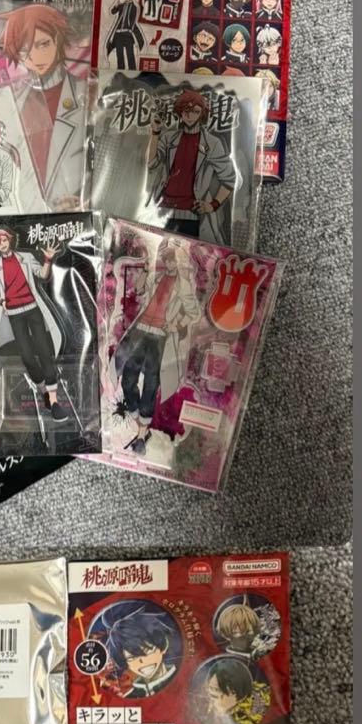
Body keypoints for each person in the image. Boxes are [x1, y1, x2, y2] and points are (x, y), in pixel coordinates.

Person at [114, 241, 201, 454]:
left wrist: (176, 325)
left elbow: (194, 312)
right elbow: (140, 290)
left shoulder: (184, 285)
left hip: (160, 336)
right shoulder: (156, 276)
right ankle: (139, 424)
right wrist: (145, 271)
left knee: (151, 384)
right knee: (128, 377)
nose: (170, 264)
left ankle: (141, 434)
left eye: (173, 260)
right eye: (167, 260)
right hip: (141, 330)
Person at [0, 2, 85, 207]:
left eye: (43, 44)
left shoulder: (86, 93)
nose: (35, 57)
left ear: (58, 39)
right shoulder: (10, 101)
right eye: (24, 50)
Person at [0, 228, 68, 421]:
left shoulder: (26, 257)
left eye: (5, 240)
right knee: (27, 356)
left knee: (44, 351)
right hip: (14, 314)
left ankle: (54, 402)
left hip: (33, 309)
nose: (3, 244)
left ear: (10, 240)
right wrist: (0, 300)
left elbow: (42, 275)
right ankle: (44, 391)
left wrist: (48, 260)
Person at [147, 88, 237, 243]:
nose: (190, 116)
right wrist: (155, 133)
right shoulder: (169, 138)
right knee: (158, 252)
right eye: (186, 111)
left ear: (202, 114)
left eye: (196, 111)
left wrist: (212, 205)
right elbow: (152, 163)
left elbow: (229, 178)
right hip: (163, 211)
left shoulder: (212, 143)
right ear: (180, 111)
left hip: (193, 214)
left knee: (190, 255)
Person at [106, 603, 180, 698]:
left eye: (148, 651)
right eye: (131, 658)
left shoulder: (181, 678)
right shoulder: (131, 695)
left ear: (163, 646)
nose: (141, 661)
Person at [105, 0, 145, 69]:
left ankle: (132, 70)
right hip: (118, 33)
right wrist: (116, 5)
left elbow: (133, 20)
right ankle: (120, 70)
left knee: (130, 54)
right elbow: (112, 12)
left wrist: (130, 31)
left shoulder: (134, 7)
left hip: (127, 33)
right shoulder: (121, 5)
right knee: (119, 54)